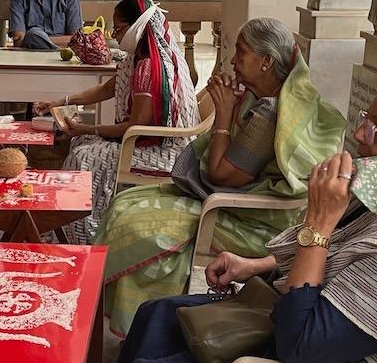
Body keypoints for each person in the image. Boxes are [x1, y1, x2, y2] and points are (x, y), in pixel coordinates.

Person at [106, 70, 377, 363]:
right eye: (365, 122)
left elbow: (299, 344)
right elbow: (347, 261)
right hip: (295, 320)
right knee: (156, 314)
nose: (360, 137)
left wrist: (319, 221)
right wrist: (259, 265)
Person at [94, 17, 347, 337]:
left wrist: (225, 115)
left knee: (138, 224)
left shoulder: (270, 111)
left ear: (266, 61)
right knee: (127, 200)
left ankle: (145, 328)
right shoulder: (271, 97)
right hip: (242, 204)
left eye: (240, 52)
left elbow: (222, 175)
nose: (232, 61)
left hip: (256, 221)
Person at [34, 0, 199, 244]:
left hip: (163, 151)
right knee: (82, 144)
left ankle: (84, 236)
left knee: (85, 156)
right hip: (144, 139)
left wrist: (86, 129)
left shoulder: (149, 67)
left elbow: (133, 129)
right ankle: (65, 227)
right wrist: (60, 102)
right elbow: (105, 90)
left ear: (137, 26)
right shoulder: (136, 59)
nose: (113, 34)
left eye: (118, 28)